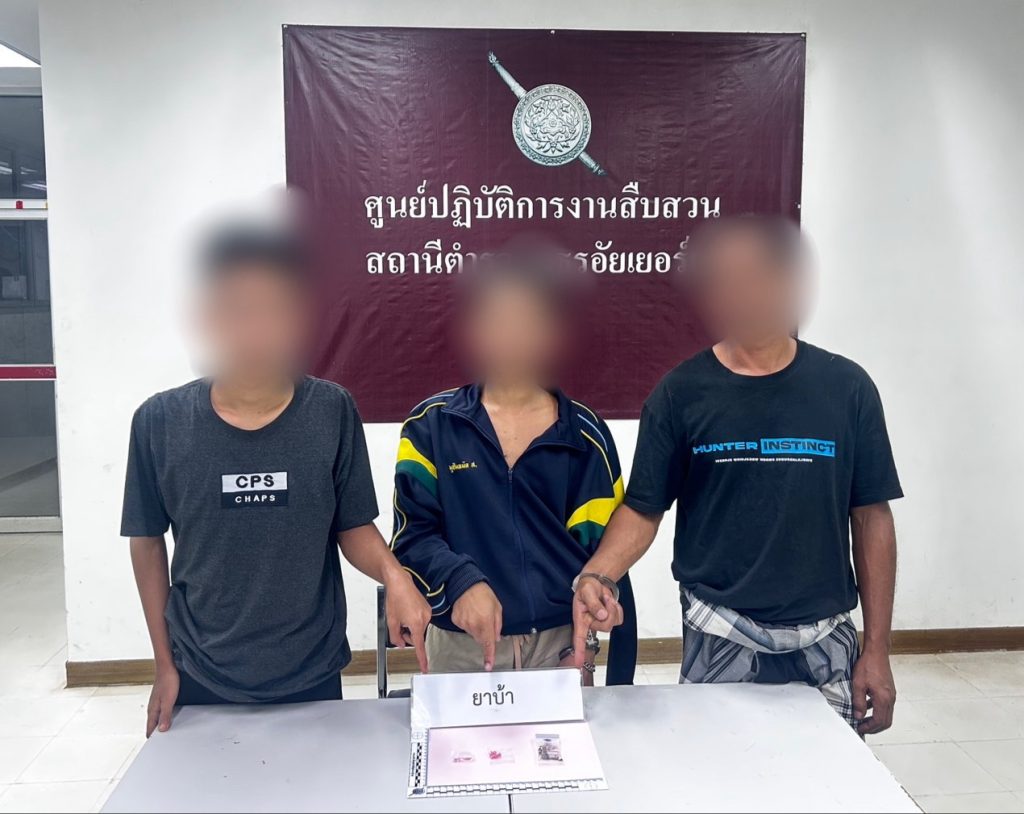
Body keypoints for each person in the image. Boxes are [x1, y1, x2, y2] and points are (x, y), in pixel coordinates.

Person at [571, 215, 903, 734]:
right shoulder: (679, 394)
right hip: (718, 630)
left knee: (826, 775)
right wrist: (597, 575)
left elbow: (871, 517)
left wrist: (877, 649)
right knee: (716, 769)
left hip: (824, 635)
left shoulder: (846, 388)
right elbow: (643, 508)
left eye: (757, 276)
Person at [122, 214, 431, 737]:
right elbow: (147, 542)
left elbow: (352, 526)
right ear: (210, 317)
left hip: (310, 667)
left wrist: (395, 576)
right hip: (202, 667)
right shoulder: (159, 422)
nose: (255, 330)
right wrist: (164, 664)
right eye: (238, 310)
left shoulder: (331, 410)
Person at [391, 250, 635, 683]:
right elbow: (412, 536)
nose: (511, 337)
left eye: (527, 322)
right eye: (497, 321)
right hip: (461, 644)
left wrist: (598, 601)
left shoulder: (584, 434)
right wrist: (461, 581)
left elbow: (602, 551)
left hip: (561, 644)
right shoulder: (431, 426)